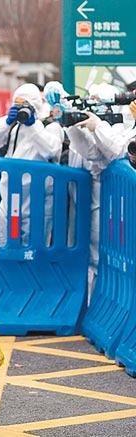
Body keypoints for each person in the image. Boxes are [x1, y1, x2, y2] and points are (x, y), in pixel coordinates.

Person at [65, 86, 132, 293]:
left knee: (121, 259)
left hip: (121, 203)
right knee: (98, 258)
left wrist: (98, 126)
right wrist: (74, 125)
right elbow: (93, 153)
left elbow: (117, 151)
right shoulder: (112, 127)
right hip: (102, 201)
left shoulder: (121, 127)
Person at [0, 83, 64, 245]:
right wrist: (7, 121)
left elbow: (51, 150)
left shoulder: (49, 127)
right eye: (17, 104)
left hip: (38, 200)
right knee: (3, 244)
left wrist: (32, 125)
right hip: (9, 195)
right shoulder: (13, 127)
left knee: (33, 250)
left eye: (24, 105)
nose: (21, 109)